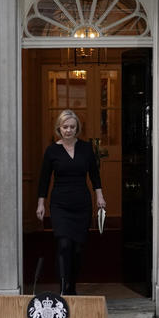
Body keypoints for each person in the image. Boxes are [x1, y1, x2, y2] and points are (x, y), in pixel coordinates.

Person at [36, 109, 106, 296]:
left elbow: (94, 174)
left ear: (77, 128)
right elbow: (44, 179)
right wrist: (40, 203)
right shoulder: (52, 151)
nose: (69, 130)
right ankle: (64, 288)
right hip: (60, 204)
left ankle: (72, 285)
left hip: (81, 203)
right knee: (64, 244)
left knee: (77, 249)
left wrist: (100, 196)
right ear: (59, 128)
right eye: (65, 127)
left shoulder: (85, 148)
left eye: (72, 127)